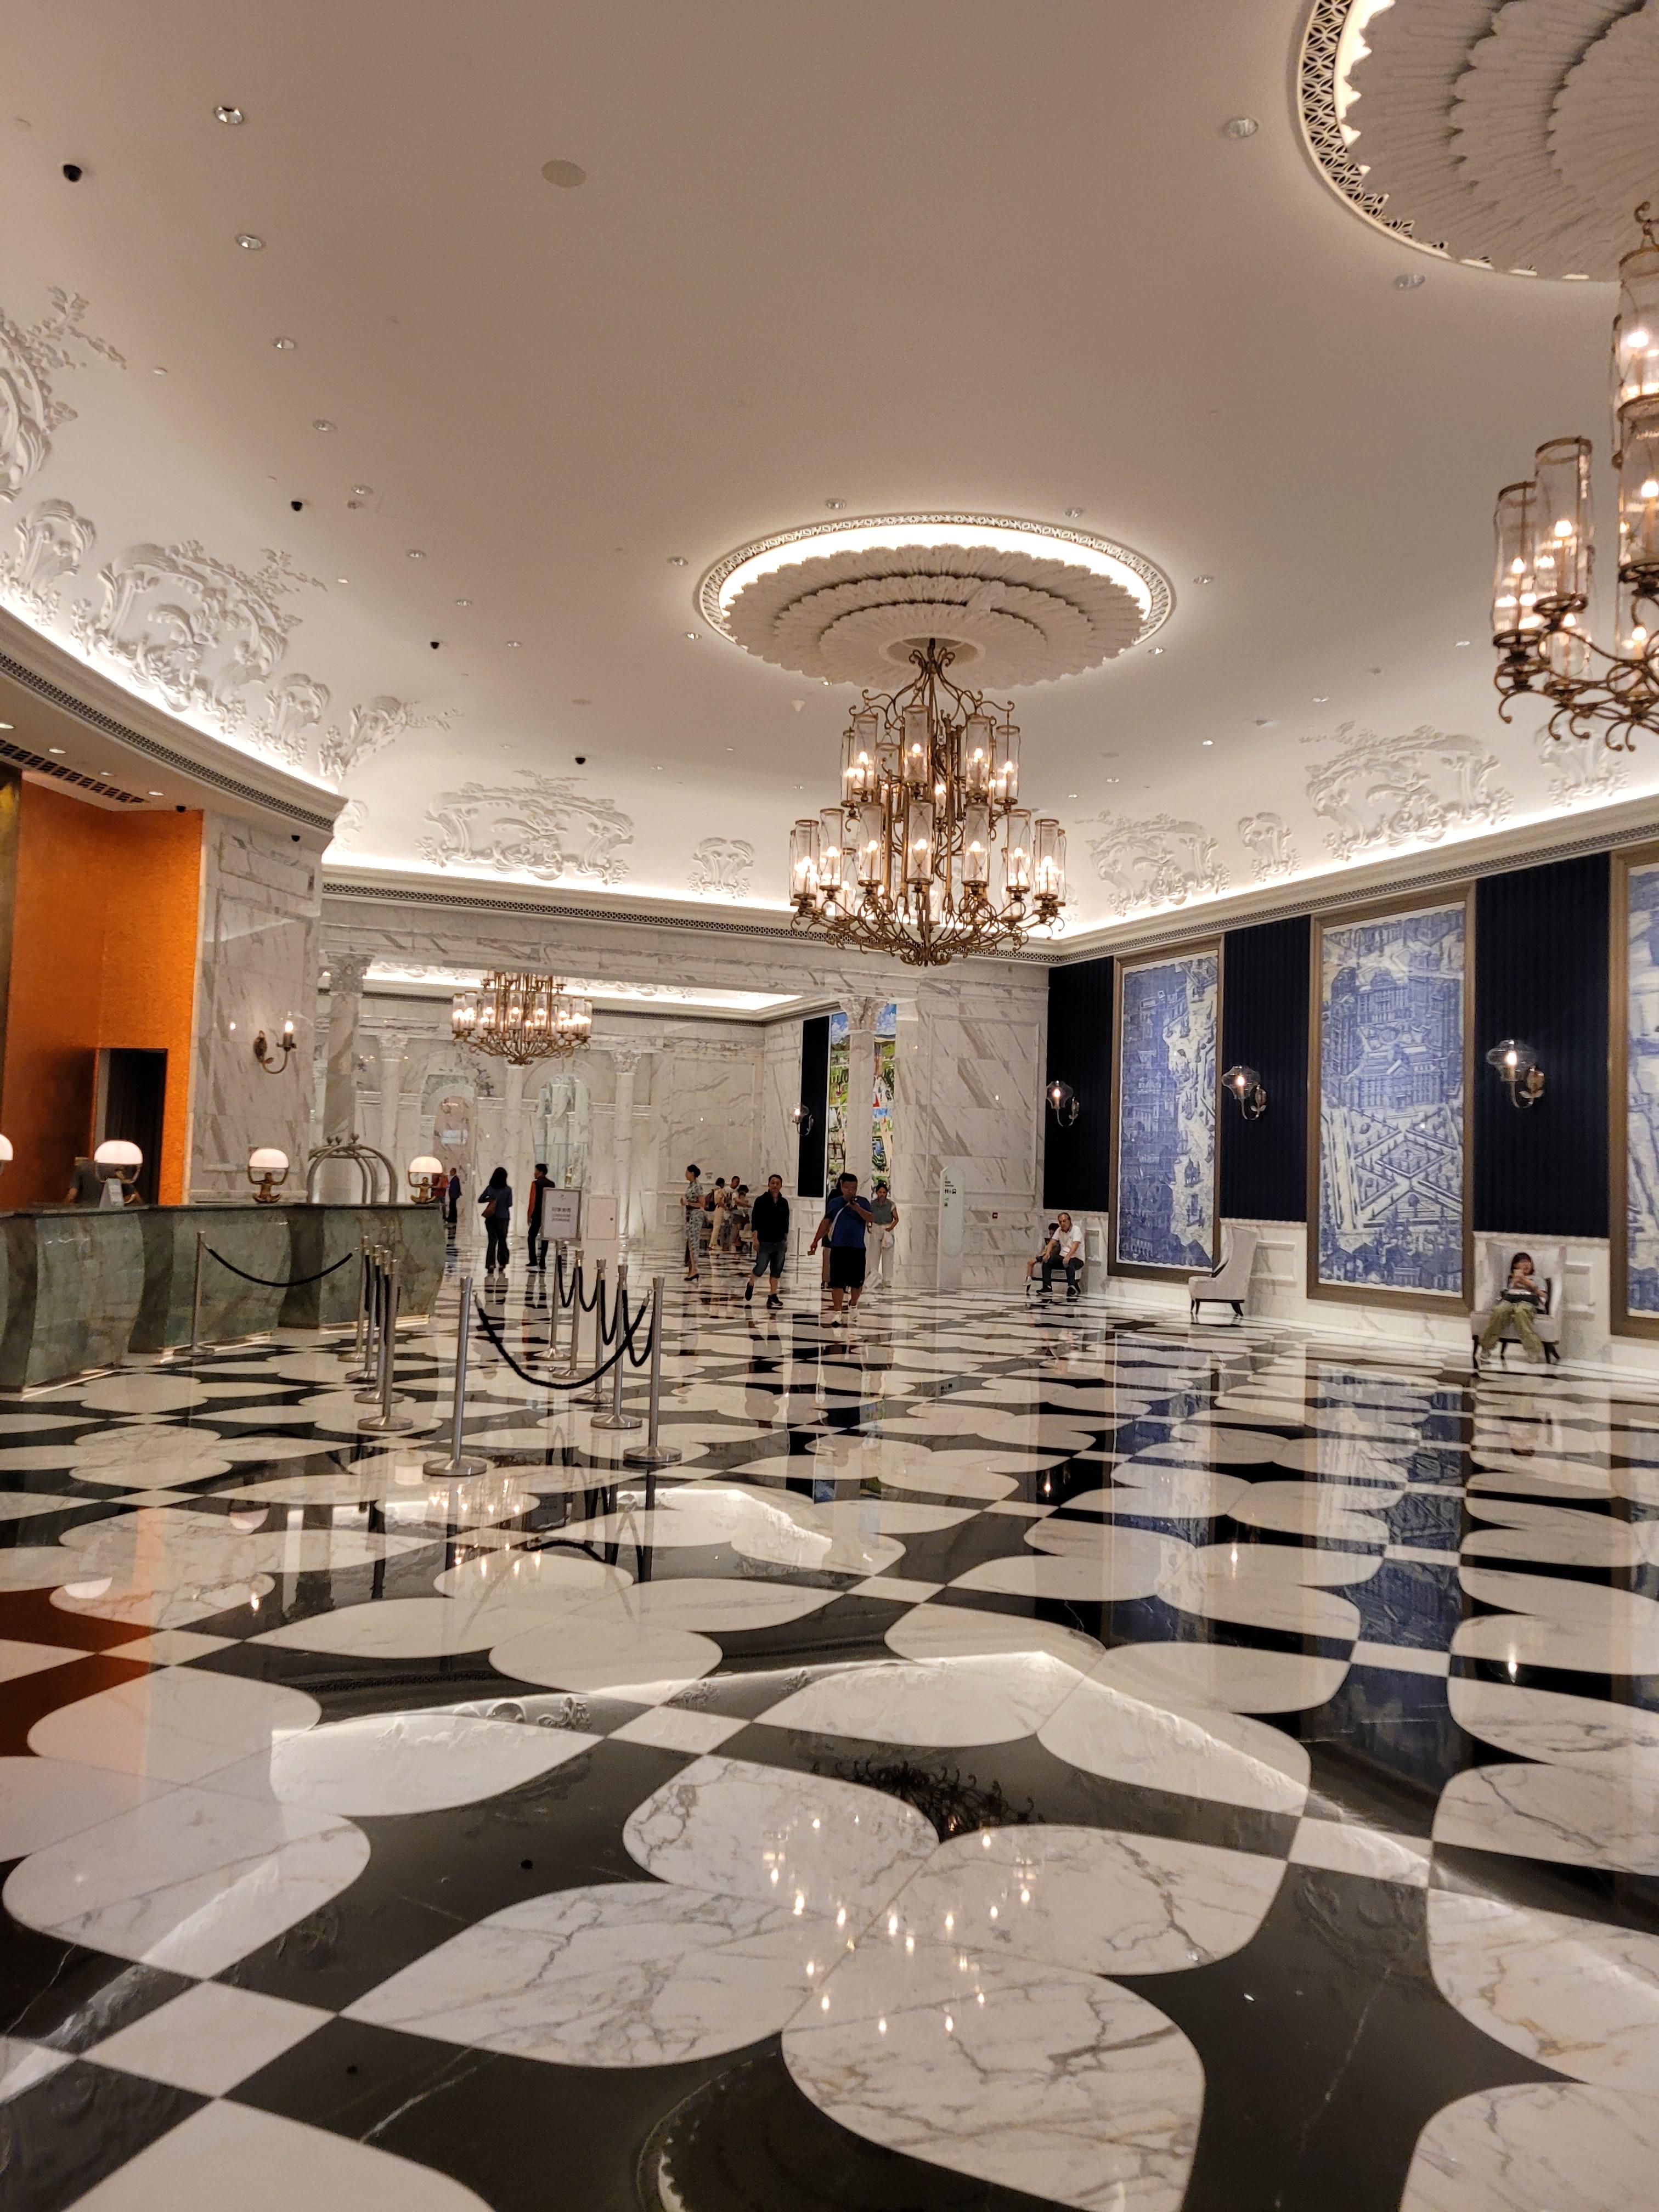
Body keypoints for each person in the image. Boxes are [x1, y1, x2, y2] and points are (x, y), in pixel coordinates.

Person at [808, 1171, 873, 1324]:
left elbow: (871, 1218)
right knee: (837, 1282)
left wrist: (857, 1209)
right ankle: (837, 1312)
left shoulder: (863, 1202)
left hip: (857, 1248)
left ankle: (853, 1304)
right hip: (838, 1247)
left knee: (857, 1283)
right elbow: (826, 1223)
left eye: (854, 1188)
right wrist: (816, 1241)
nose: (851, 1191)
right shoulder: (835, 1203)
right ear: (842, 1187)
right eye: (848, 1188)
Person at [1477, 1250, 1548, 1364]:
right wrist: (1513, 1284)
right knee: (1499, 1311)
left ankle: (1532, 1349)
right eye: (1522, 1262)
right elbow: (1502, 1295)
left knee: (1521, 1312)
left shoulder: (1538, 1279)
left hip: (1527, 1301)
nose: (1526, 1265)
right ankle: (1486, 1347)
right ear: (1515, 1266)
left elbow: (1544, 1297)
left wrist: (1532, 1286)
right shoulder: (1510, 1279)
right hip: (1510, 1300)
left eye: (1528, 1262)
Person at [747, 1175, 790, 1308]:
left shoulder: (784, 1203)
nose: (775, 1185)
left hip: (779, 1241)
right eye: (773, 1183)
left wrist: (786, 1240)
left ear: (781, 1186)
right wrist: (755, 1239)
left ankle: (773, 1295)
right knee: (761, 1267)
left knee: (777, 1268)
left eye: (777, 1183)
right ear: (769, 1185)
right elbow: (755, 1221)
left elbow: (786, 1223)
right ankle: (751, 1283)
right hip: (765, 1241)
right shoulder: (761, 1201)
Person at [1041, 1211, 1084, 1299]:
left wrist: (1068, 1257)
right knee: (1047, 1261)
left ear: (1069, 1221)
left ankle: (1071, 1287)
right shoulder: (1059, 1230)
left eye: (1064, 1221)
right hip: (1063, 1257)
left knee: (1070, 1262)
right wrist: (1047, 1254)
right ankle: (1047, 1287)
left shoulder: (1076, 1230)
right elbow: (1052, 1243)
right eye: (1060, 1222)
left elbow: (1075, 1245)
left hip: (1077, 1258)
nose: (1062, 1224)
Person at [479, 1166, 512, 1277]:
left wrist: (490, 1199)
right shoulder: (508, 1190)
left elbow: (480, 1199)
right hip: (503, 1218)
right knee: (502, 1240)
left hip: (491, 1218)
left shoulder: (490, 1188)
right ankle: (502, 1262)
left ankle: (490, 1264)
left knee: (492, 1241)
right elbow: (509, 1204)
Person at [866, 1181, 899, 1288]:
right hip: (876, 1227)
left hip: (887, 1228)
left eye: (884, 1192)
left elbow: (896, 1218)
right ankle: (874, 1277)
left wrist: (890, 1228)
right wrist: (869, 1225)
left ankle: (887, 1279)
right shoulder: (872, 1204)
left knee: (888, 1254)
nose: (882, 1194)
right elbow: (869, 1216)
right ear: (877, 1193)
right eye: (880, 1192)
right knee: (874, 1254)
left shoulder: (891, 1205)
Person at [526, 1161, 551, 1271]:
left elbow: (533, 1201)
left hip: (537, 1214)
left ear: (541, 1172)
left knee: (531, 1237)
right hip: (547, 1214)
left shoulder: (535, 1184)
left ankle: (533, 1260)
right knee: (545, 1238)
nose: (534, 1173)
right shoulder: (551, 1184)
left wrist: (529, 1215)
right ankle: (543, 1261)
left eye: (536, 1171)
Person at [682, 1164, 705, 1279]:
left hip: (695, 1216)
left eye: (687, 1172)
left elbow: (702, 1204)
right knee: (690, 1243)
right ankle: (691, 1269)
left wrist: (688, 1203)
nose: (685, 1174)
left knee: (693, 1243)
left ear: (692, 1173)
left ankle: (695, 1269)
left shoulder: (698, 1187)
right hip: (690, 1216)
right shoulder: (691, 1186)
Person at [1026, 1222, 1060, 1286]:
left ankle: (1029, 1279)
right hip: (1044, 1255)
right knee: (1030, 1263)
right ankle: (1029, 1278)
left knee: (1031, 1262)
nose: (1051, 1236)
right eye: (1050, 1234)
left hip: (1048, 1257)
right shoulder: (1050, 1241)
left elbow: (1054, 1253)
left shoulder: (1057, 1243)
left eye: (1053, 1234)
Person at [444, 1167, 461, 1233]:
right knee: (452, 1206)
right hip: (453, 1196)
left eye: (451, 1171)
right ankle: (451, 1218)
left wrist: (454, 1195)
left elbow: (455, 1188)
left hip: (454, 1196)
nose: (450, 1172)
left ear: (454, 1172)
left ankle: (452, 1218)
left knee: (453, 1207)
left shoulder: (455, 1179)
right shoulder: (455, 1179)